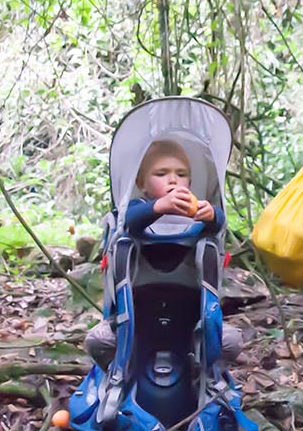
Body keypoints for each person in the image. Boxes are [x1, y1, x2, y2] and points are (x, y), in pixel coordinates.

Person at [85, 139, 239, 366]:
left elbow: (217, 226)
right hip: (135, 315)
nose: (173, 180)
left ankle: (209, 377)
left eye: (181, 174)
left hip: (190, 314)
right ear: (142, 183)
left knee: (231, 341)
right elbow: (128, 222)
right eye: (161, 173)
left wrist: (212, 215)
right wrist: (159, 206)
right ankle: (116, 377)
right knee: (98, 341)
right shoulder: (136, 208)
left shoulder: (195, 211)